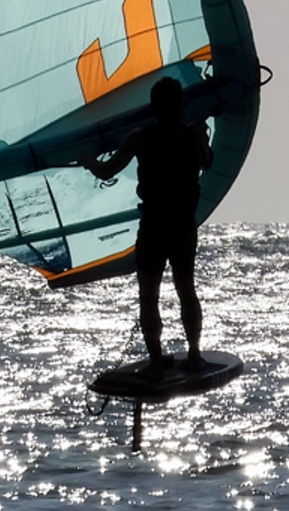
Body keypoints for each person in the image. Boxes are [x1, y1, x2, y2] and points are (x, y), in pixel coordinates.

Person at [87, 76, 213, 371]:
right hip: (182, 226)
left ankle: (157, 362)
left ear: (154, 108)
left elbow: (106, 171)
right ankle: (194, 354)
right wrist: (200, 140)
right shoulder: (190, 134)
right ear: (179, 105)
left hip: (156, 226)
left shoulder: (140, 137)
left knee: (149, 293)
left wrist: (86, 159)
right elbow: (207, 163)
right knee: (185, 288)